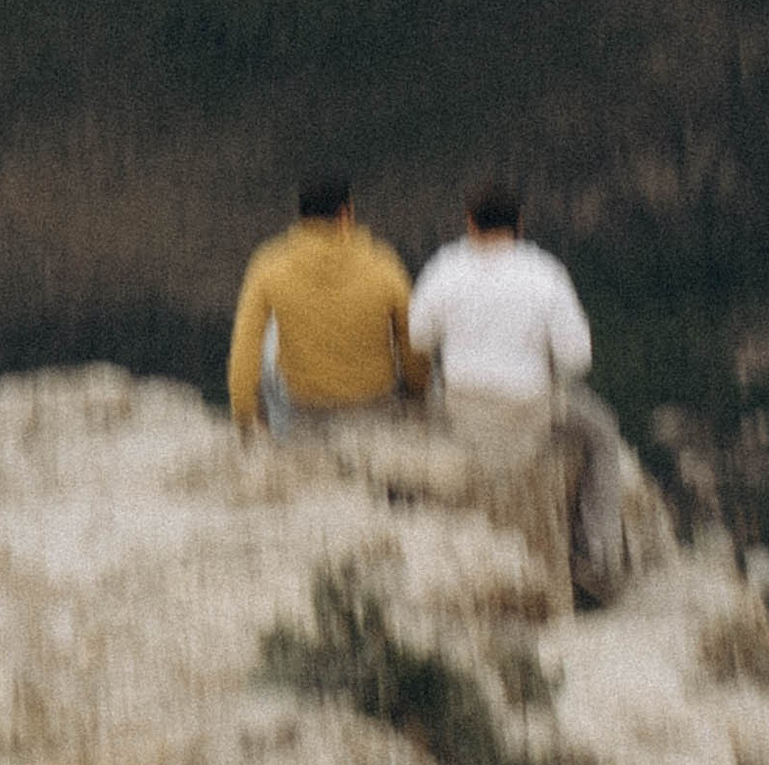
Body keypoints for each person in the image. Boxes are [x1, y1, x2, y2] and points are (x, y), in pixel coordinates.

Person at [406, 183, 628, 600]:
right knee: (602, 432)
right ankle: (598, 559)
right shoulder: (544, 273)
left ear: (470, 223)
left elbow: (418, 336)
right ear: (519, 225)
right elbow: (577, 356)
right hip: (528, 414)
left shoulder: (445, 266)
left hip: (463, 411)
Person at [228, 178, 421, 438]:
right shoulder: (382, 263)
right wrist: (416, 392)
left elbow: (246, 346)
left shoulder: (270, 265)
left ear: (302, 216)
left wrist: (245, 413)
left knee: (271, 356)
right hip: (376, 405)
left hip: (306, 407)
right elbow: (412, 339)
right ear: (346, 213)